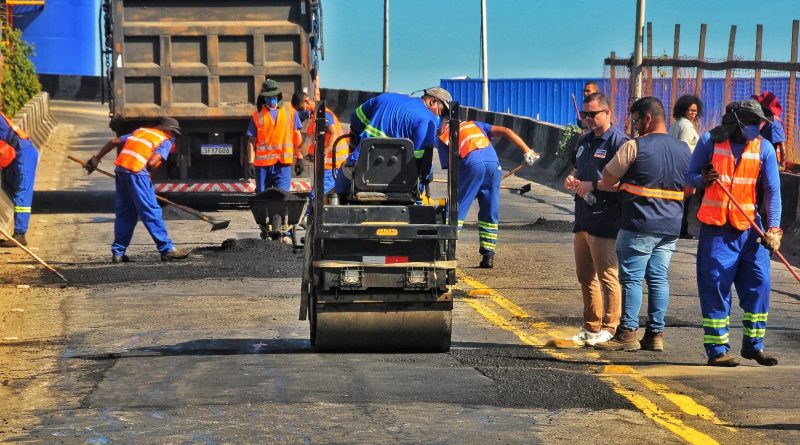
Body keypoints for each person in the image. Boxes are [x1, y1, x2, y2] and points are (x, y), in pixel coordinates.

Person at [685, 100, 782, 367]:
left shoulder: (764, 148)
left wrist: (773, 229)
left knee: (759, 284)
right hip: (717, 231)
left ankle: (754, 345)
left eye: (760, 124)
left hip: (752, 231)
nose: (757, 128)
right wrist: (703, 178)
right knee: (716, 286)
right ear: (737, 122)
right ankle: (717, 350)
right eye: (753, 124)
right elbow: (690, 175)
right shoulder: (709, 141)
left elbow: (773, 192)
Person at [593, 96, 691, 352]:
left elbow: (608, 176)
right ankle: (655, 334)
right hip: (670, 226)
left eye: (636, 120)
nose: (634, 126)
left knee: (633, 279)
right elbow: (690, 188)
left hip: (638, 224)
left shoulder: (635, 146)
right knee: (659, 278)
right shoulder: (683, 149)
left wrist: (623, 184)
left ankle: (627, 332)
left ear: (648, 119)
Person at [564, 92, 628, 346]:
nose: (588, 119)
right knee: (585, 275)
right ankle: (591, 326)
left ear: (608, 113)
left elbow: (624, 183)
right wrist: (572, 178)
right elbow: (577, 168)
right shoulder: (584, 141)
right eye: (586, 114)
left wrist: (594, 185)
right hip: (583, 216)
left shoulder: (620, 142)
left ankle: (610, 326)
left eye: (593, 114)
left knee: (607, 275)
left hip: (606, 218)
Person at [84, 117, 191, 262]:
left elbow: (114, 142)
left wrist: (96, 159)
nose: (173, 136)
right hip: (137, 173)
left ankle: (118, 253)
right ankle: (167, 250)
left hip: (121, 171)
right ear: (167, 130)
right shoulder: (165, 140)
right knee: (151, 210)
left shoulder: (140, 131)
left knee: (126, 212)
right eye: (173, 133)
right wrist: (149, 172)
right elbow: (152, 163)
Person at [437, 120, 539, 268]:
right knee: (489, 211)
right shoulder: (474, 124)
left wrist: (466, 185)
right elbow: (506, 130)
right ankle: (488, 256)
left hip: (472, 167)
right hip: (494, 166)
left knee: (456, 208)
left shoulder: (444, 137)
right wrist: (527, 151)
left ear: (442, 126)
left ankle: (444, 249)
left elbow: (453, 169)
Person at [334, 87, 451, 195]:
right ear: (432, 102)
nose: (440, 117)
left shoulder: (385, 98)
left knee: (340, 186)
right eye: (442, 112)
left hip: (359, 171)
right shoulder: (428, 119)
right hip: (399, 183)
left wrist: (357, 139)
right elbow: (421, 158)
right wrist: (426, 177)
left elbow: (356, 117)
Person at [246, 79, 303, 193]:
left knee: (281, 197)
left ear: (278, 96)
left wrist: (299, 158)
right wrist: (250, 162)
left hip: (282, 165)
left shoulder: (291, 112)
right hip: (263, 167)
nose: (271, 99)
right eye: (268, 97)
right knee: (262, 197)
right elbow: (252, 142)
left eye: (273, 96)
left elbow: (296, 138)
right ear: (264, 97)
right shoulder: (257, 116)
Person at [291, 91, 347, 195]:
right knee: (319, 197)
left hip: (332, 165)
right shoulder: (315, 117)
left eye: (300, 109)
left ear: (307, 101)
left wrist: (324, 153)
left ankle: (310, 212)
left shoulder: (324, 114)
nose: (300, 112)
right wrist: (299, 158)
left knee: (315, 196)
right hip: (325, 166)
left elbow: (334, 134)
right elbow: (308, 143)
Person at [0, 112, 39, 247]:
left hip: (23, 155)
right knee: (9, 189)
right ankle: (17, 233)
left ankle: (20, 235)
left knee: (22, 195)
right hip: (12, 157)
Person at [669, 94, 703, 239]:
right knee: (684, 201)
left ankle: (678, 228)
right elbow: (685, 149)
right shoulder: (686, 127)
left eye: (695, 111)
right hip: (684, 170)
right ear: (683, 110)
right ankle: (681, 230)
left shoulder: (676, 125)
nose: (693, 113)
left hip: (674, 169)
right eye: (690, 110)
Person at [752, 91, 786, 170]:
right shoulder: (764, 121)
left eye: (760, 104)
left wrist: (782, 165)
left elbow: (782, 144)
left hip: (771, 164)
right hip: (762, 162)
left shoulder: (774, 124)